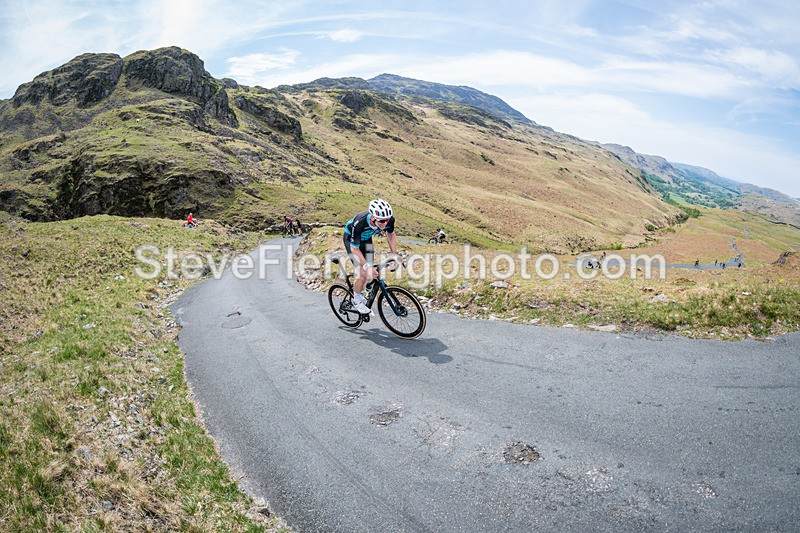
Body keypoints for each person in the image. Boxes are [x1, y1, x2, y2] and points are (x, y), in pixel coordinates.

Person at [343, 199, 397, 314]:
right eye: (382, 221)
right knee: (362, 271)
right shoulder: (360, 222)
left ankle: (361, 290)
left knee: (370, 274)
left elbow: (391, 234)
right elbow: (354, 249)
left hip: (366, 240)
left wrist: (394, 254)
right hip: (351, 241)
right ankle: (357, 301)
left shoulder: (388, 219)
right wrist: (366, 266)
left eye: (387, 220)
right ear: (373, 217)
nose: (385, 223)